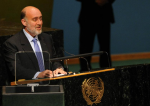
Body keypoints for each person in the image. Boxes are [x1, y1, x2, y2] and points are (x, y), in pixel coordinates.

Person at [2, 6, 66, 81]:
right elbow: (16, 69)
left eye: (40, 19)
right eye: (35, 19)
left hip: (50, 84)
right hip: (27, 87)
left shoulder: (47, 38)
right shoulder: (12, 43)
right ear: (24, 22)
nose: (39, 23)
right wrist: (38, 75)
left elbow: (54, 59)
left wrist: (58, 68)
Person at [77, 0, 115, 71]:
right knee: (85, 47)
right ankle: (85, 70)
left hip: (105, 15)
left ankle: (106, 70)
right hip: (87, 15)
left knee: (105, 46)